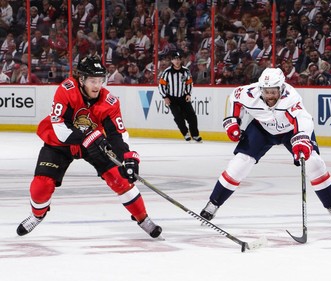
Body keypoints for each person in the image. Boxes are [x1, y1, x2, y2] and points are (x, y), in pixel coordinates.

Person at [17, 56, 162, 239]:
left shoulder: (109, 101)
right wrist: (90, 136)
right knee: (40, 186)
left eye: (100, 81)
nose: (97, 85)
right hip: (61, 142)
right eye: (93, 81)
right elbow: (61, 130)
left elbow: (117, 135)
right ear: (82, 79)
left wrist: (128, 158)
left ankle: (143, 218)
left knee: (121, 179)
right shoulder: (66, 90)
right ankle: (37, 215)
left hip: (93, 142)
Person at [200, 67, 331, 226]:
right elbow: (235, 99)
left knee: (313, 162)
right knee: (240, 162)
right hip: (262, 129)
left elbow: (303, 119)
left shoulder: (291, 97)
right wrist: (233, 121)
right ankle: (213, 204)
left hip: (291, 131)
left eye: (273, 92)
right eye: (266, 91)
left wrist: (302, 140)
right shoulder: (249, 93)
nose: (270, 96)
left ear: (282, 88)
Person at [158, 51, 202, 142]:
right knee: (178, 116)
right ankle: (185, 133)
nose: (177, 61)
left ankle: (195, 135)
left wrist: (188, 94)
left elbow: (189, 83)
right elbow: (161, 85)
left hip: (183, 97)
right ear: (172, 61)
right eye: (175, 59)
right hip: (171, 98)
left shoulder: (186, 71)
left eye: (178, 59)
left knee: (192, 116)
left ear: (180, 60)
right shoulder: (167, 72)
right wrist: (165, 97)